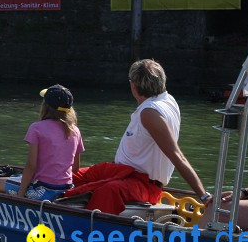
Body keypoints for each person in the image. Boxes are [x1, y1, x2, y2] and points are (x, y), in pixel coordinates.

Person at [64, 59, 209, 214]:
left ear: (133, 85)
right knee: (70, 176)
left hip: (143, 184)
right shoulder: (167, 99)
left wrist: (203, 195)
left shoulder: (150, 113)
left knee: (108, 190)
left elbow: (177, 156)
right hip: (119, 171)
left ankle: (92, 231)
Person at [0, 85, 84, 201]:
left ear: (45, 106)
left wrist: (21, 194)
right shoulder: (75, 130)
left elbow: (31, 166)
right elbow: (75, 168)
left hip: (43, 191)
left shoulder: (37, 128)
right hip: (66, 189)